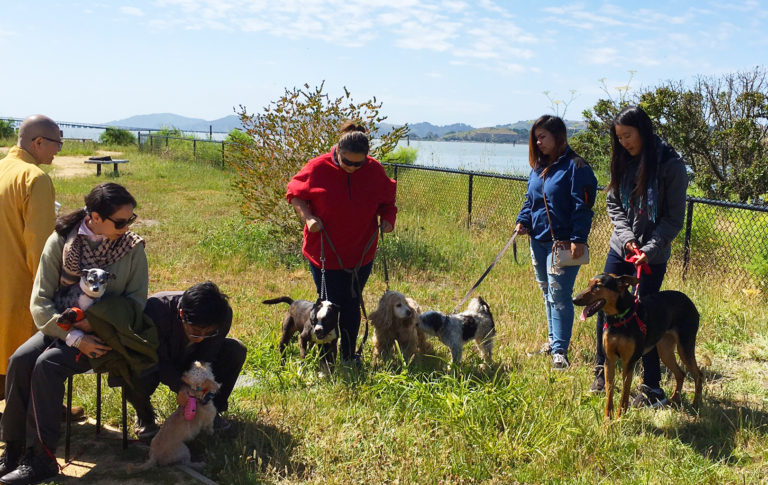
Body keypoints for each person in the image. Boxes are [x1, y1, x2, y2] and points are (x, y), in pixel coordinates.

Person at [0, 182, 148, 485]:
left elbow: (137, 303)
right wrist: (74, 335)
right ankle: (13, 449)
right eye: (120, 221)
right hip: (63, 327)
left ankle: (41, 459)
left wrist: (97, 323)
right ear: (94, 216)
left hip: (108, 335)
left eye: (131, 219)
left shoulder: (133, 248)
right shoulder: (60, 242)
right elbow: (40, 302)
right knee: (19, 360)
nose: (127, 227)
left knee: (47, 365)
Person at [590, 105, 687, 407]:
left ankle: (651, 387)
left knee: (645, 316)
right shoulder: (622, 160)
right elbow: (613, 204)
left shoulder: (671, 165)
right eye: (618, 138)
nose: (624, 143)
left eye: (628, 136)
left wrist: (648, 249)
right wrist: (628, 238)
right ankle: (601, 370)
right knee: (603, 303)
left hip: (651, 256)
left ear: (643, 131)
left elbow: (673, 219)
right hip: (622, 247)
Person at [286, 121, 397, 365]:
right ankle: (327, 360)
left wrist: (388, 220)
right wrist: (309, 218)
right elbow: (295, 195)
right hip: (324, 254)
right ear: (337, 150)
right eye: (347, 162)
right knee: (329, 307)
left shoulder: (374, 170)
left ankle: (348, 357)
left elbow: (388, 203)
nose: (353, 168)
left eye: (359, 163)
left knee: (352, 304)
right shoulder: (317, 168)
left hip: (361, 255)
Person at [515, 115, 597, 370]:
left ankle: (560, 351)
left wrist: (578, 239)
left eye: (543, 137)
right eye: (536, 138)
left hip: (563, 245)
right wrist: (522, 220)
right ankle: (552, 342)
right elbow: (531, 201)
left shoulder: (576, 167)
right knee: (547, 294)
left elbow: (582, 206)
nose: (538, 142)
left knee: (560, 295)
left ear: (559, 137)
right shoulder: (539, 167)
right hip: (537, 241)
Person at [124, 281, 247, 439]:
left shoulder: (222, 317)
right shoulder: (156, 309)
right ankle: (145, 417)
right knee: (131, 365)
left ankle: (211, 411)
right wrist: (180, 385)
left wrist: (195, 387)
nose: (201, 338)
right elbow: (155, 357)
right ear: (181, 314)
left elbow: (206, 357)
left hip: (191, 358)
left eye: (208, 333)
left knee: (235, 350)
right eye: (195, 331)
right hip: (157, 358)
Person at [0, 115, 61, 404]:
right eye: (56, 143)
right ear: (38, 142)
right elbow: (40, 246)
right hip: (20, 281)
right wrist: (49, 292)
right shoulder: (35, 179)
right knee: (25, 350)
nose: (58, 151)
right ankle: (33, 412)